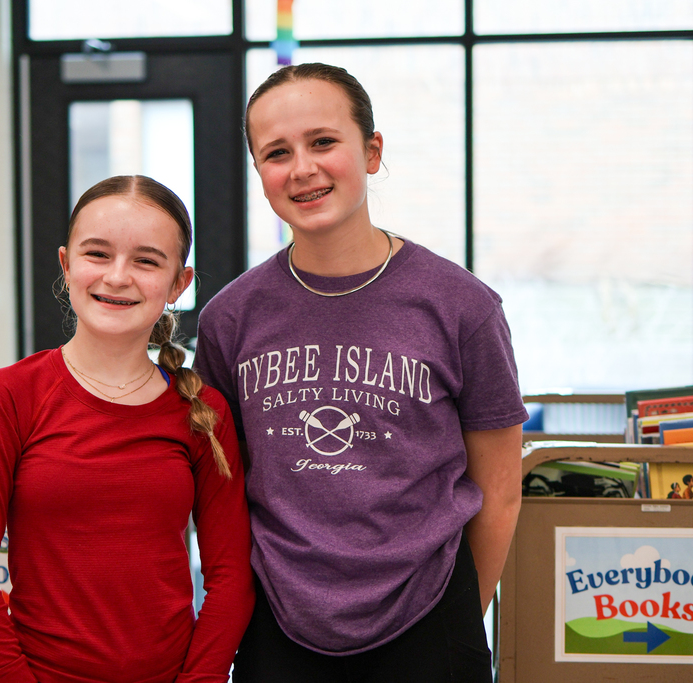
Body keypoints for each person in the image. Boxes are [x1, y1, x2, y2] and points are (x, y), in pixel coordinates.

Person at [193, 63, 528, 682]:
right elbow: (220, 488)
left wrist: (456, 618)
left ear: (371, 152)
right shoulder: (228, 321)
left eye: (323, 142)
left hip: (429, 622)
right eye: (276, 153)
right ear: (260, 174)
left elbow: (500, 488)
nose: (303, 168)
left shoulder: (461, 307)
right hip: (277, 625)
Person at [0, 175, 254, 683]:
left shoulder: (202, 410)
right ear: (66, 265)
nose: (118, 276)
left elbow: (232, 577)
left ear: (180, 283)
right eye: (98, 254)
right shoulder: (9, 395)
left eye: (147, 261)